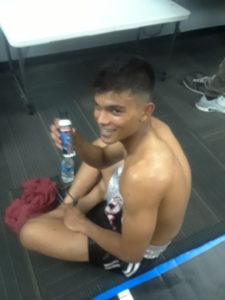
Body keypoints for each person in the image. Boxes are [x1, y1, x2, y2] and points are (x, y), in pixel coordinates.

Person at [19, 56, 191, 277]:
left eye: (115, 111)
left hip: (137, 253)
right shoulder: (153, 126)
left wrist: (84, 225)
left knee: (29, 233)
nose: (101, 119)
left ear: (146, 110)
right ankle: (80, 201)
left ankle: (89, 201)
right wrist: (77, 140)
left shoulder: (145, 175)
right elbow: (101, 158)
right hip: (137, 202)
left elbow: (132, 253)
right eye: (98, 107)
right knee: (104, 142)